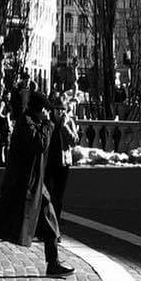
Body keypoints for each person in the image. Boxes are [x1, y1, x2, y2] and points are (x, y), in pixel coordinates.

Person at [0, 88, 73, 279]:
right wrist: (48, 124)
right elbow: (40, 144)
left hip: (35, 185)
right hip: (21, 186)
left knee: (50, 221)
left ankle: (53, 263)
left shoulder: (33, 122)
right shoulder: (27, 123)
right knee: (1, 225)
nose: (48, 113)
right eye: (46, 110)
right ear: (40, 109)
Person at [45, 95, 79, 228]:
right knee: (47, 196)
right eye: (56, 109)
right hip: (49, 163)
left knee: (58, 198)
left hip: (63, 163)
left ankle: (55, 228)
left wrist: (65, 128)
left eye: (61, 109)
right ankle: (45, 226)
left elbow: (74, 141)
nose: (59, 111)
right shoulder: (49, 122)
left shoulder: (69, 122)